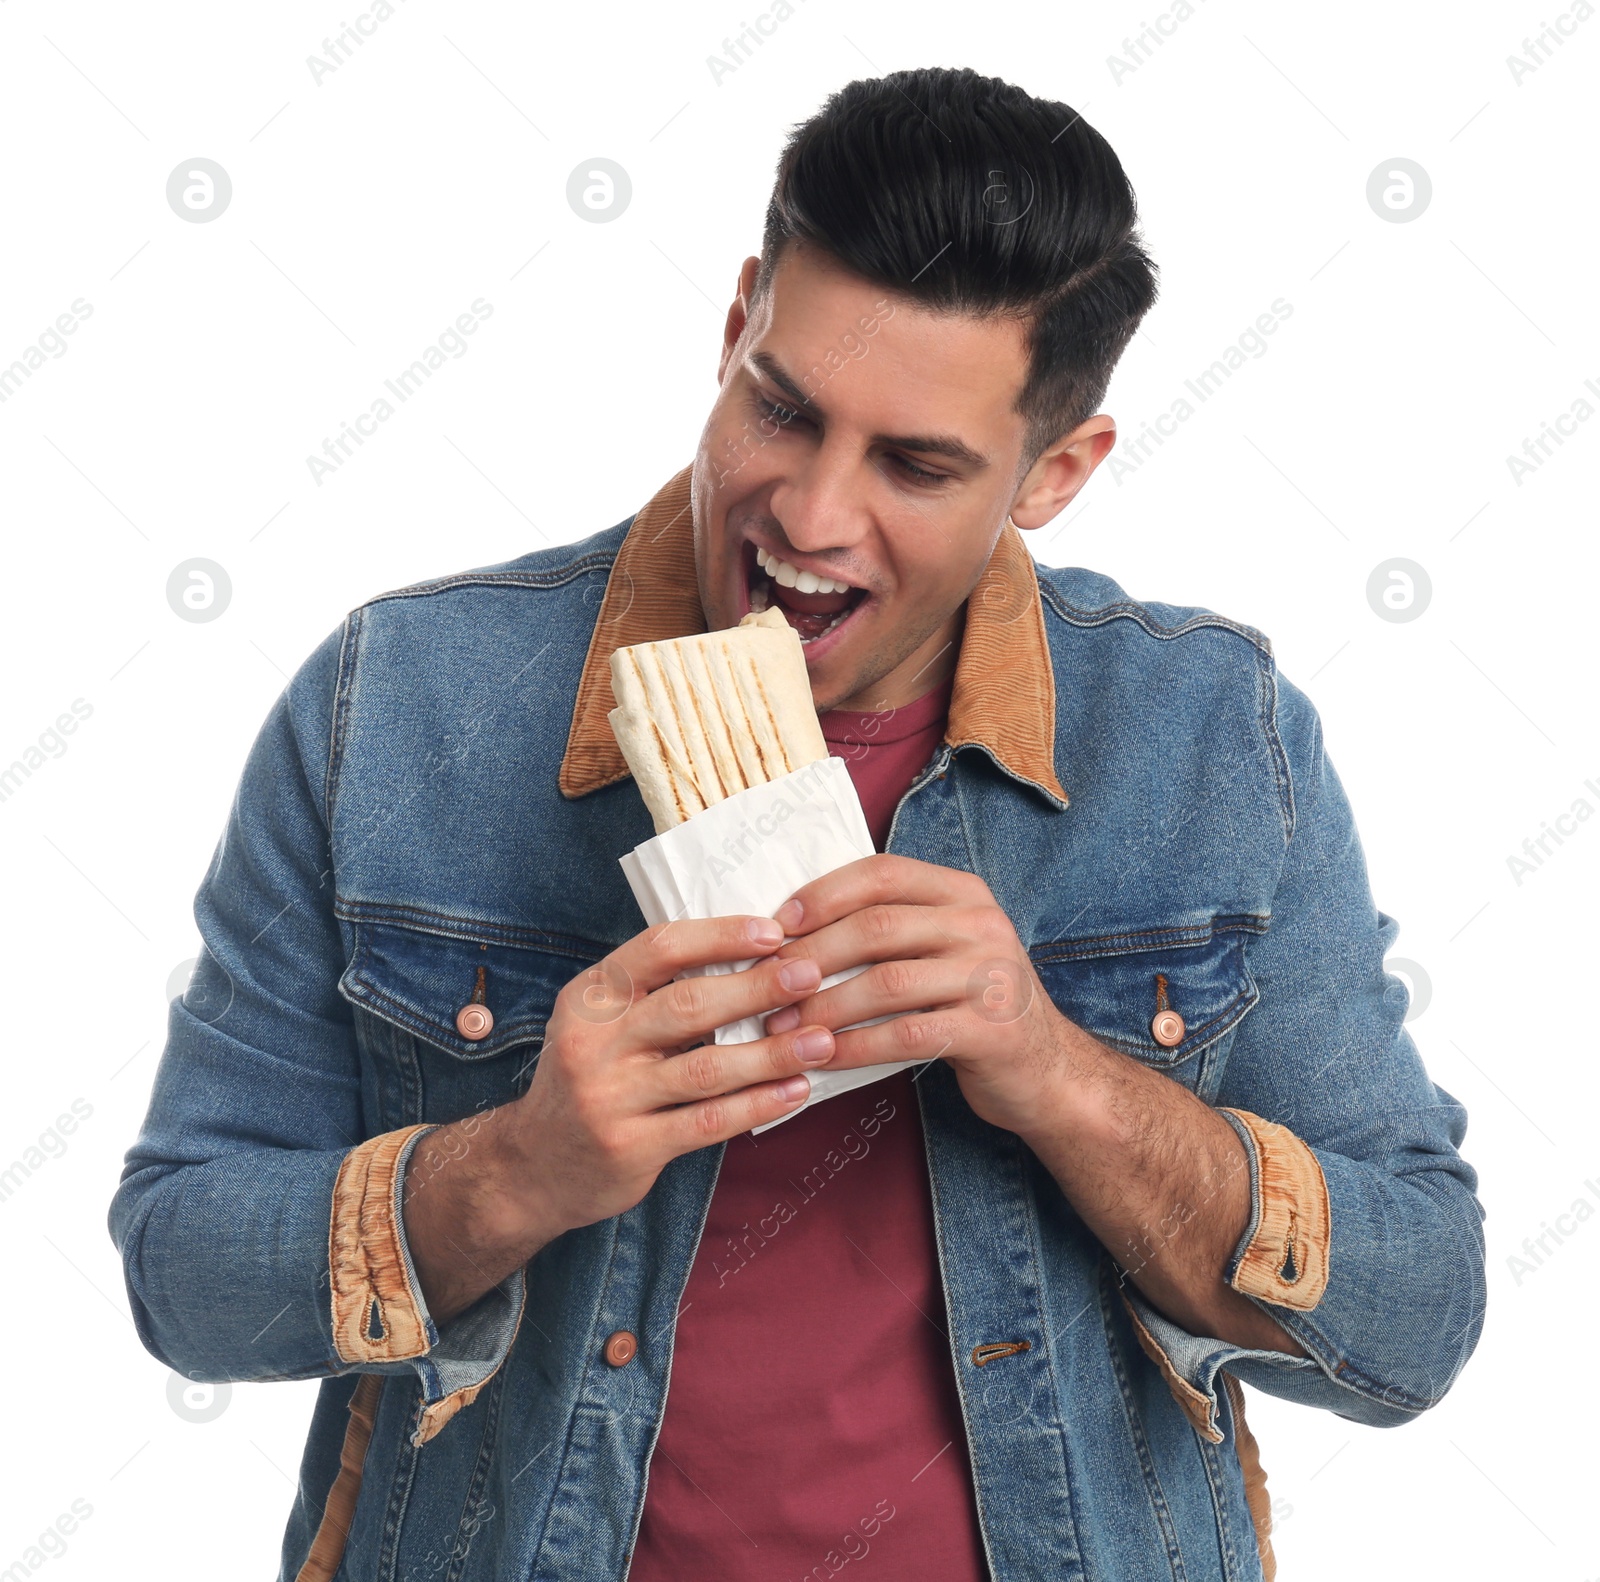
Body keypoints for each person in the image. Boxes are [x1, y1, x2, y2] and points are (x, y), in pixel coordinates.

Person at [109, 66, 1486, 1582]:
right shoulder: (404, 705)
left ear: (1056, 473)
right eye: (782, 406)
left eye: (915, 464)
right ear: (736, 322)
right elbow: (182, 1271)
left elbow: (1413, 1323)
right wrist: (517, 1168)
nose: (811, 516)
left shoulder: (1212, 736)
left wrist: (1058, 1075)